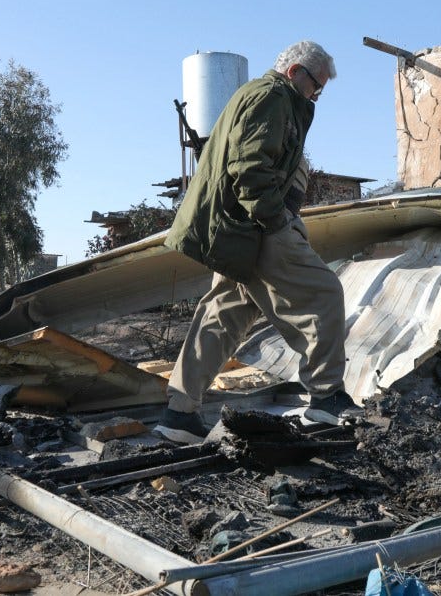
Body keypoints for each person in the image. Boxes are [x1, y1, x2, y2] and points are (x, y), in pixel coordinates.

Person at [155, 41, 362, 444]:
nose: (315, 95)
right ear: (294, 72)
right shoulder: (272, 96)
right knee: (323, 293)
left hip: (234, 230)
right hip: (253, 225)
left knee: (223, 314)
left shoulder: (258, 96)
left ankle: (178, 414)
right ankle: (325, 396)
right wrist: (279, 221)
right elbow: (249, 168)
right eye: (315, 86)